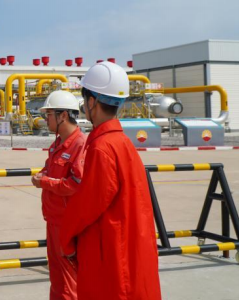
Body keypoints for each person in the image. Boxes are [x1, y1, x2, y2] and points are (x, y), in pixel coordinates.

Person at [59, 61, 162, 299]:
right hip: (132, 249)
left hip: (112, 255)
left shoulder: (102, 148)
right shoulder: (123, 143)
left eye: (84, 100)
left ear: (92, 102)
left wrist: (65, 237)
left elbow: (88, 204)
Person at [31, 90, 84, 300]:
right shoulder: (57, 144)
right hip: (53, 221)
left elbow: (76, 184)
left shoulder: (80, 144)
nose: (45, 119)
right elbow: (49, 168)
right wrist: (43, 174)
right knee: (57, 278)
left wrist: (44, 182)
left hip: (68, 224)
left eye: (49, 114)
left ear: (63, 115)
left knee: (69, 283)